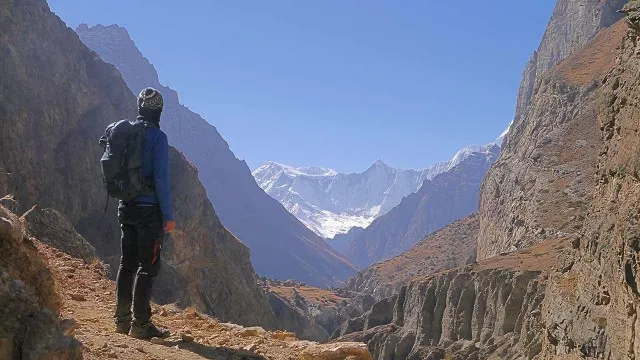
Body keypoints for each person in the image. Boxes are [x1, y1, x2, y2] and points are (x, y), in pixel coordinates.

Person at [114, 87, 176, 339]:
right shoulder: (158, 138)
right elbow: (161, 180)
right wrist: (169, 215)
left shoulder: (125, 134)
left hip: (125, 207)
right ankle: (141, 325)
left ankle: (121, 320)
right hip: (148, 212)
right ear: (159, 111)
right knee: (148, 266)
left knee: (126, 264)